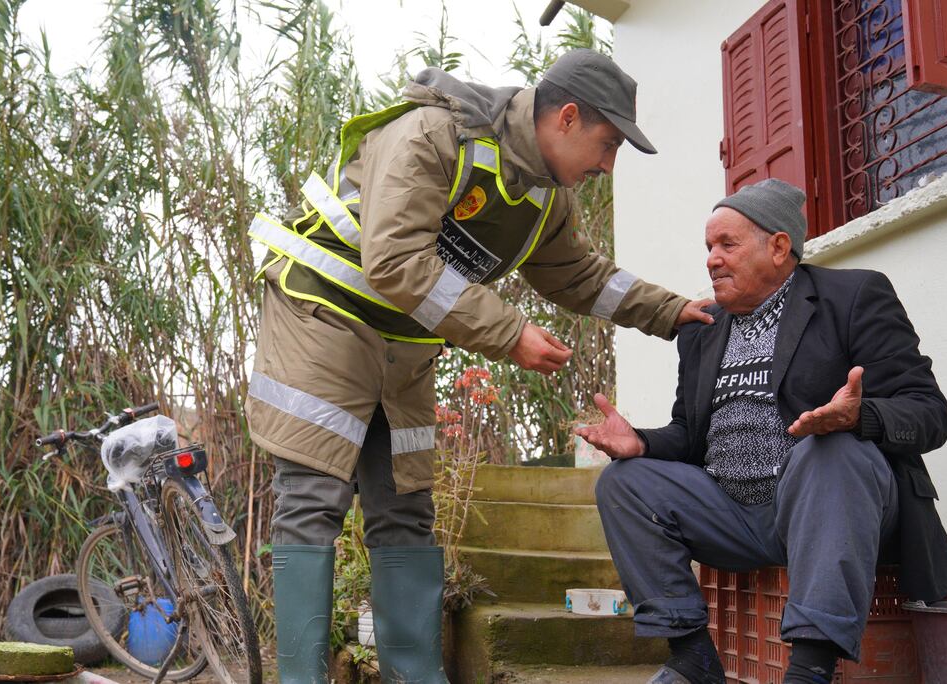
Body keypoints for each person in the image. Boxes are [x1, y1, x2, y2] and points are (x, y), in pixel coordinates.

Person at [245, 48, 713, 684]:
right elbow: (395, 261)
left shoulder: (546, 197)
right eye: (607, 145)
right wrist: (509, 333)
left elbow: (580, 275)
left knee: (405, 507)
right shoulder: (430, 134)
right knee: (313, 499)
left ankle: (416, 677)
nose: (607, 165)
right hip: (323, 314)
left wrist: (672, 311)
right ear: (566, 118)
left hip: (405, 343)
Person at [577, 178, 947, 684]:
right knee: (624, 482)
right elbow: (690, 435)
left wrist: (857, 417)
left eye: (727, 244)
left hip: (831, 508)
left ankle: (809, 668)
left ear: (779, 247)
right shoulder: (702, 328)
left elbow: (930, 412)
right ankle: (692, 658)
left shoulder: (853, 296)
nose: (712, 260)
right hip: (731, 514)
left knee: (830, 449)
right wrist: (642, 442)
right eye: (708, 247)